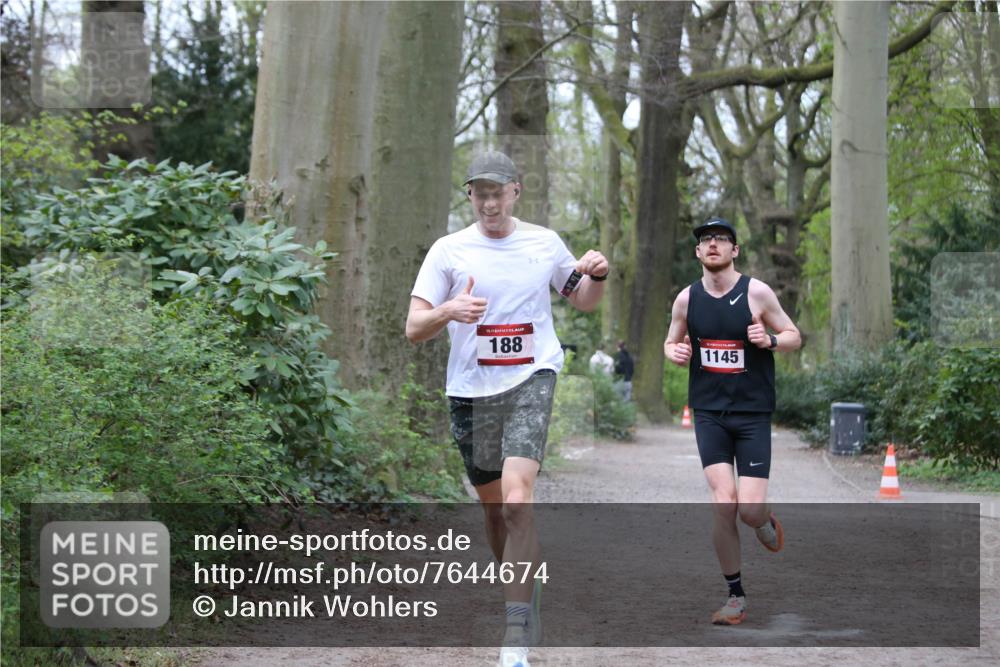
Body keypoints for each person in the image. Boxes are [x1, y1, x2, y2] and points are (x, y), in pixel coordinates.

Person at [406, 151, 608, 667]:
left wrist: (597, 275)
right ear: (469, 195)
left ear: (516, 191)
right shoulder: (448, 251)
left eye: (498, 193)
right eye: (480, 194)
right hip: (471, 390)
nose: (489, 203)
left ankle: (515, 629)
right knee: (495, 511)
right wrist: (449, 310)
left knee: (518, 502)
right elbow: (414, 327)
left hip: (531, 377)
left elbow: (582, 298)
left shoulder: (544, 243)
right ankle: (523, 587)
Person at [662, 217, 801, 626]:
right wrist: (674, 351)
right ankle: (735, 596)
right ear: (697, 252)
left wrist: (770, 340)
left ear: (734, 250)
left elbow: (793, 334)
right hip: (709, 413)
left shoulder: (756, 292)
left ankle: (763, 520)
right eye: (706, 240)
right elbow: (671, 340)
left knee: (749, 510)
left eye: (722, 239)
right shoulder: (686, 299)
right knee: (724, 501)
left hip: (753, 413)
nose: (713, 244)